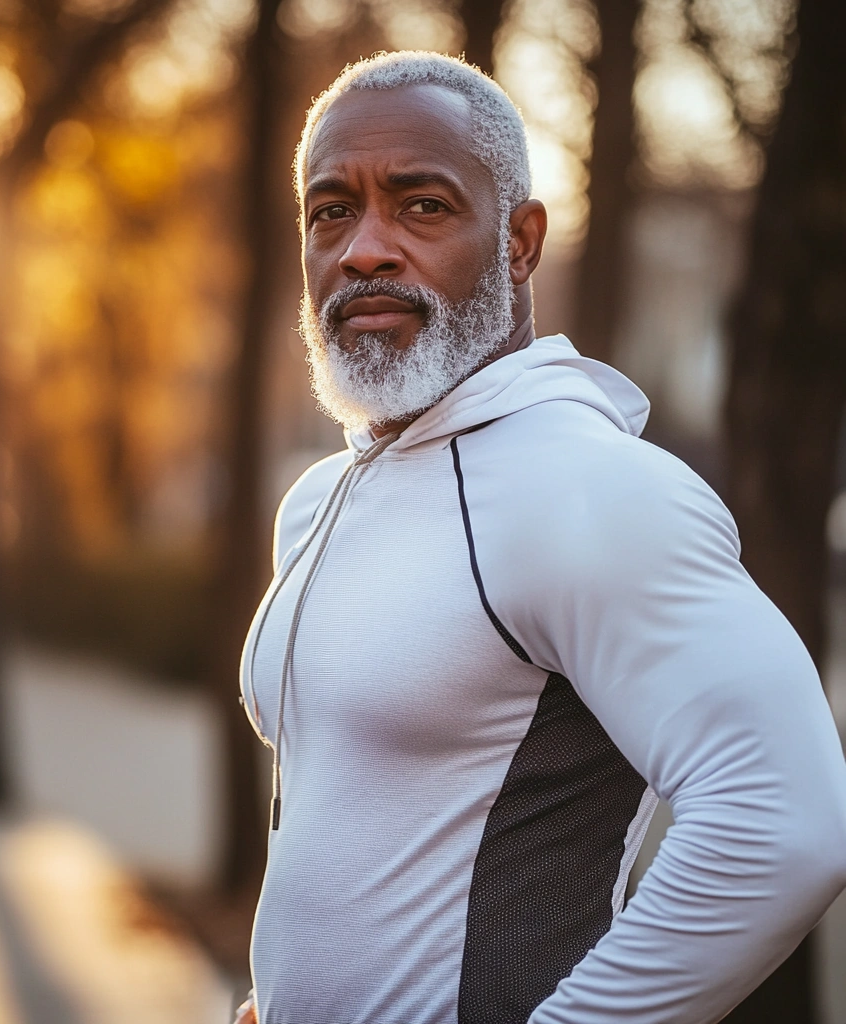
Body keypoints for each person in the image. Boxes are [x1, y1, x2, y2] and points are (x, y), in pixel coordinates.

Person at [235, 51, 846, 1024]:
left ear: (520, 242)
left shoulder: (591, 489)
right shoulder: (318, 501)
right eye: (330, 210)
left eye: (421, 205)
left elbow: (785, 821)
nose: (363, 249)